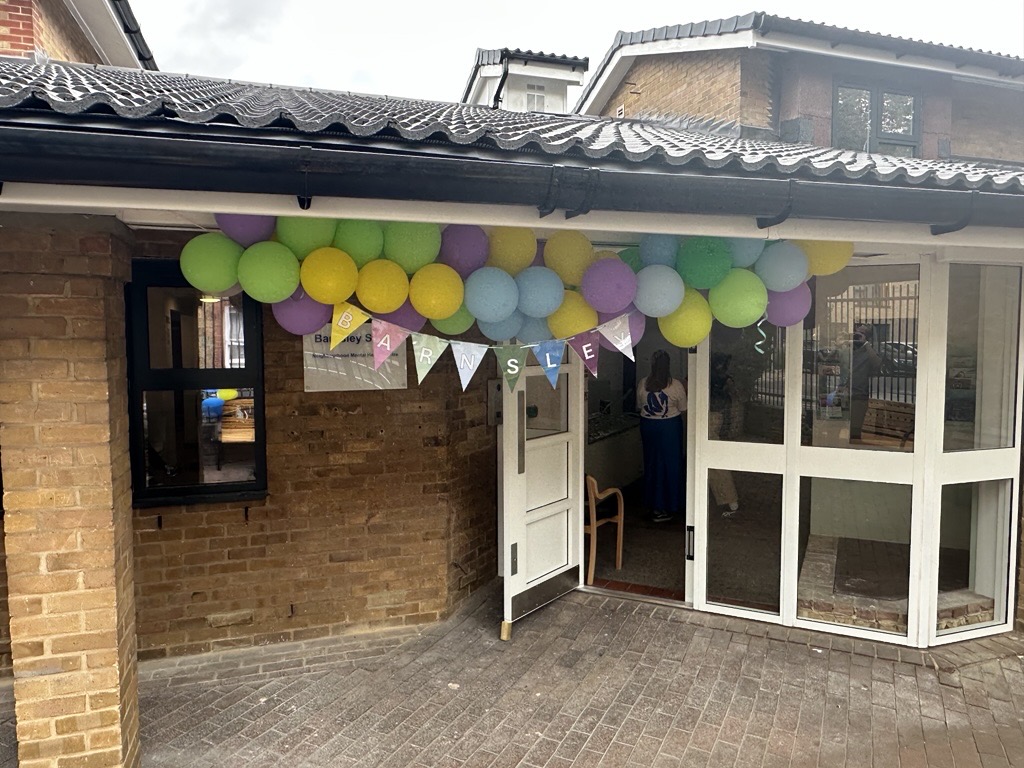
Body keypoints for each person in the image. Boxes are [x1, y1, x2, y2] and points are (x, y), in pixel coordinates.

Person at [637, 350, 686, 523]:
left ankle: (654, 505)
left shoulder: (643, 383)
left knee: (652, 464)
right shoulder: (676, 385)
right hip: (669, 427)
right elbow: (683, 407)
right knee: (671, 465)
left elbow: (639, 405)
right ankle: (672, 504)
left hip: (649, 426)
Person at [708, 354, 740, 516]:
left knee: (714, 463)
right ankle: (729, 499)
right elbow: (735, 399)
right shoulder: (726, 381)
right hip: (717, 417)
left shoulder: (704, 375)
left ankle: (729, 499)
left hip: (709, 417)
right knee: (715, 462)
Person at [839, 323, 882, 442]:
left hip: (859, 395)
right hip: (844, 394)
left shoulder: (869, 351)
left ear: (867, 337)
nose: (857, 336)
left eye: (862, 334)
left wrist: (866, 344)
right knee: (837, 427)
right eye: (856, 333)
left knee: (855, 431)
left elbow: (877, 364)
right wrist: (842, 344)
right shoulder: (848, 350)